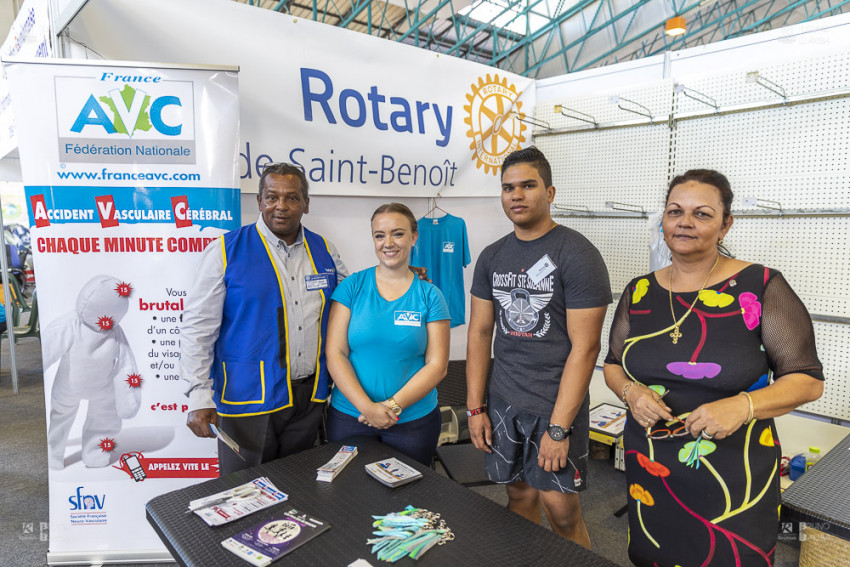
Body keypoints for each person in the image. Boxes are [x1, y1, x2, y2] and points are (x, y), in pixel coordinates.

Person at [603, 169, 824, 566]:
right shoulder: (639, 291)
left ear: (726, 225)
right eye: (675, 212)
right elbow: (615, 364)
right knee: (652, 555)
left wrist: (743, 405)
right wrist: (630, 392)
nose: (685, 222)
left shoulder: (761, 287)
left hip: (732, 476)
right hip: (651, 467)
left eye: (702, 214)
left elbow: (806, 381)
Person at [466, 146, 612, 548]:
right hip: (503, 400)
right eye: (508, 187)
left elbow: (586, 348)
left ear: (549, 192)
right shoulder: (492, 256)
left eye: (527, 185)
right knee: (518, 495)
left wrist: (559, 427)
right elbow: (480, 334)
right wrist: (475, 407)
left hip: (555, 403)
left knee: (562, 512)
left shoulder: (577, 254)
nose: (516, 195)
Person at [181, 163, 348, 475]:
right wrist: (199, 394)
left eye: (292, 198)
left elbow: (352, 305)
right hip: (247, 399)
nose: (281, 206)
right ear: (259, 201)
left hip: (309, 400)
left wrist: (401, 281)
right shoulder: (225, 251)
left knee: (300, 487)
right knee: (244, 495)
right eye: (272, 197)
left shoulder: (324, 250)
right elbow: (197, 328)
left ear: (306, 204)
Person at [325, 203, 450, 465]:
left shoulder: (430, 296)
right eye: (379, 235)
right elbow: (335, 354)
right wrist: (368, 409)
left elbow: (437, 366)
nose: (388, 243)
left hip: (413, 421)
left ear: (414, 236)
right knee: (349, 497)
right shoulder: (351, 287)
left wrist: (392, 407)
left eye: (398, 233)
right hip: (351, 417)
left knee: (408, 500)